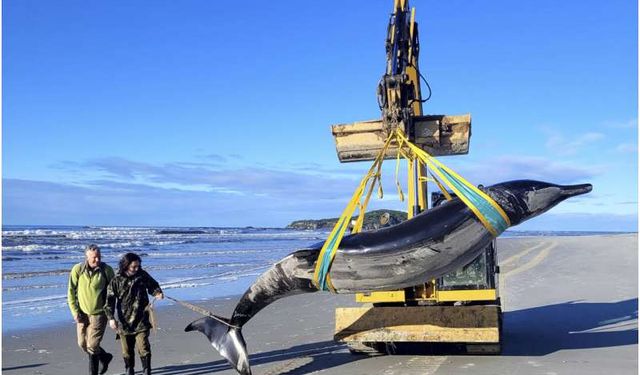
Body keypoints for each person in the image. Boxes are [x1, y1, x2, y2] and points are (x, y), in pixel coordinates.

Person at [105, 252, 164, 375]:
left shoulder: (142, 275)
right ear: (126, 266)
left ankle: (147, 371)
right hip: (124, 322)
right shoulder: (116, 280)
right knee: (127, 350)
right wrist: (111, 318)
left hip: (141, 319)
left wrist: (157, 293)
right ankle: (129, 370)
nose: (137, 269)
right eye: (134, 267)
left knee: (144, 347)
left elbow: (153, 286)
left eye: (138, 266)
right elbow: (109, 301)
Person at [67, 244, 116, 375]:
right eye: (94, 258)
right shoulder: (77, 270)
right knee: (82, 344)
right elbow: (71, 292)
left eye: (99, 257)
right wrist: (74, 312)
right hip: (82, 314)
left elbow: (114, 292)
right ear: (87, 257)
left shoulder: (107, 270)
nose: (97, 260)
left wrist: (112, 315)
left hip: (99, 314)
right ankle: (105, 357)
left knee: (92, 346)